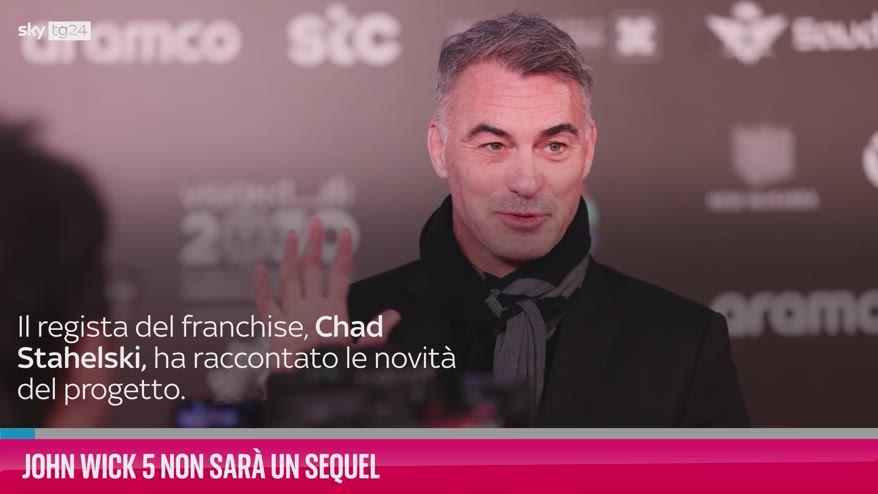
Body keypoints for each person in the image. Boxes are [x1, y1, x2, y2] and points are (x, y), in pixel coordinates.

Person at [254, 13, 749, 427]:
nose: (527, 181)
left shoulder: (682, 341)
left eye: (554, 146)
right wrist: (303, 401)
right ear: (440, 150)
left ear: (588, 150)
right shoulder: (350, 328)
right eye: (494, 145)